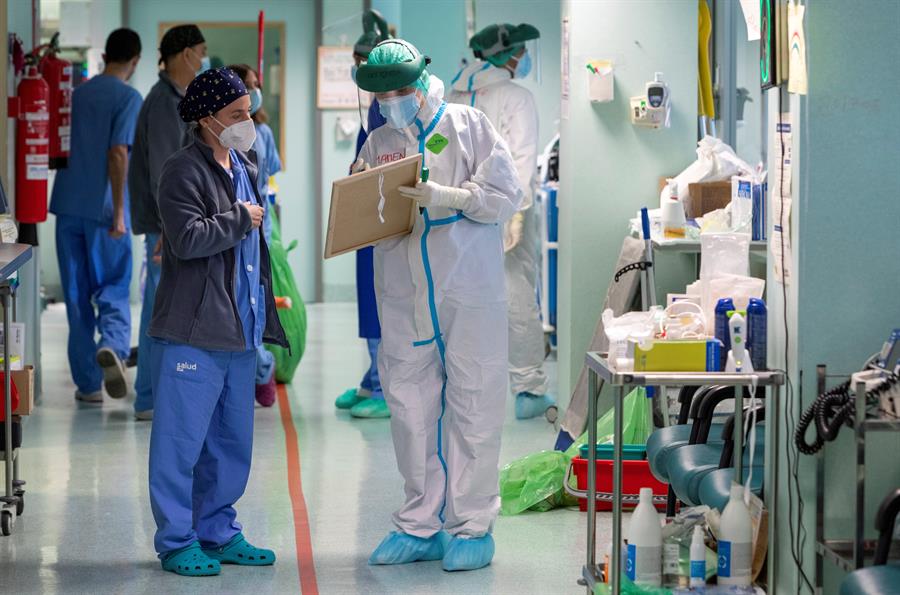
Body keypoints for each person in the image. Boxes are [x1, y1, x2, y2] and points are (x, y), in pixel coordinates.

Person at [354, 39, 522, 572]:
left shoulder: (467, 124)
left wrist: (451, 198)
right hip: (403, 293)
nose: (394, 101)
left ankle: (472, 527)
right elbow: (362, 205)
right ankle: (418, 523)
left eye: (402, 90)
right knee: (408, 406)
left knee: (474, 398)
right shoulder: (379, 140)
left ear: (421, 80)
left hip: (467, 289)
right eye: (384, 95)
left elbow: (504, 192)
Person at [147, 67, 288, 577]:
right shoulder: (181, 171)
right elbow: (185, 240)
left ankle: (218, 530)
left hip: (240, 331)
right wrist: (237, 219)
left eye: (248, 111)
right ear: (206, 119)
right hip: (195, 334)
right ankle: (176, 540)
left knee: (231, 445)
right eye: (235, 115)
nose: (246, 122)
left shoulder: (246, 163)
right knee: (180, 444)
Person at [447, 23, 555, 421]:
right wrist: (519, 213)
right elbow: (522, 160)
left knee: (461, 297)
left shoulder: (455, 93)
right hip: (507, 210)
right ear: (507, 54)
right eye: (521, 51)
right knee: (516, 294)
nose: (523, 58)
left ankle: (462, 387)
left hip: (457, 211)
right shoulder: (516, 97)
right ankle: (528, 388)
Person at [49, 28, 143, 403]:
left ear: (105, 55)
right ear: (134, 62)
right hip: (105, 211)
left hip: (68, 204)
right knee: (114, 286)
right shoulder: (128, 98)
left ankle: (87, 384)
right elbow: (118, 153)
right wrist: (120, 212)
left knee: (75, 295)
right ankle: (115, 349)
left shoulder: (77, 95)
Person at [128, 24, 208, 421]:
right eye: (201, 51)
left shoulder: (180, 99)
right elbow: (163, 173)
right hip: (166, 227)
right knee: (160, 311)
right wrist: (167, 229)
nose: (203, 60)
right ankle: (148, 397)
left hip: (172, 224)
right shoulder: (163, 103)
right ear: (185, 54)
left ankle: (153, 395)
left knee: (166, 308)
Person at [334, 9, 392, 419]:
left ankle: (385, 388)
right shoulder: (373, 104)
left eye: (361, 64)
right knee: (368, 301)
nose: (357, 72)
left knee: (382, 304)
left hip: (385, 218)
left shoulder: (390, 107)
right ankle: (372, 377)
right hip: (368, 213)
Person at [227, 63, 282, 408]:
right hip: (232, 225)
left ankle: (261, 368)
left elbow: (270, 175)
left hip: (260, 223)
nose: (255, 90)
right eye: (248, 85)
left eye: (256, 85)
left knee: (254, 301)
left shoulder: (262, 132)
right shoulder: (223, 135)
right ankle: (249, 371)